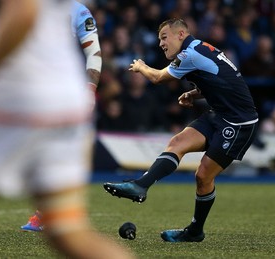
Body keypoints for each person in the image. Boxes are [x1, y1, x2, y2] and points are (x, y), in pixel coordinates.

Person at [0, 0, 134, 258]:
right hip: (64, 102)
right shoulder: (79, 10)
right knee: (68, 234)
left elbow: (22, 13)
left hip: (8, 102)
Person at [104, 18, 259, 242]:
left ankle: (195, 232)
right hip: (219, 114)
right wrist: (195, 93)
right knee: (177, 143)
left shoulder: (191, 54)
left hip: (238, 123)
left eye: (164, 37)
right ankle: (140, 186)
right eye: (159, 39)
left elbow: (157, 78)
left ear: (181, 34)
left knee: (203, 175)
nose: (161, 43)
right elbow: (222, 79)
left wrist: (140, 67)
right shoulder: (200, 49)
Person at [20, 0, 102, 232]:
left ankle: (52, 213)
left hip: (61, 89)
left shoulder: (79, 11)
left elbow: (94, 51)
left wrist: (90, 88)